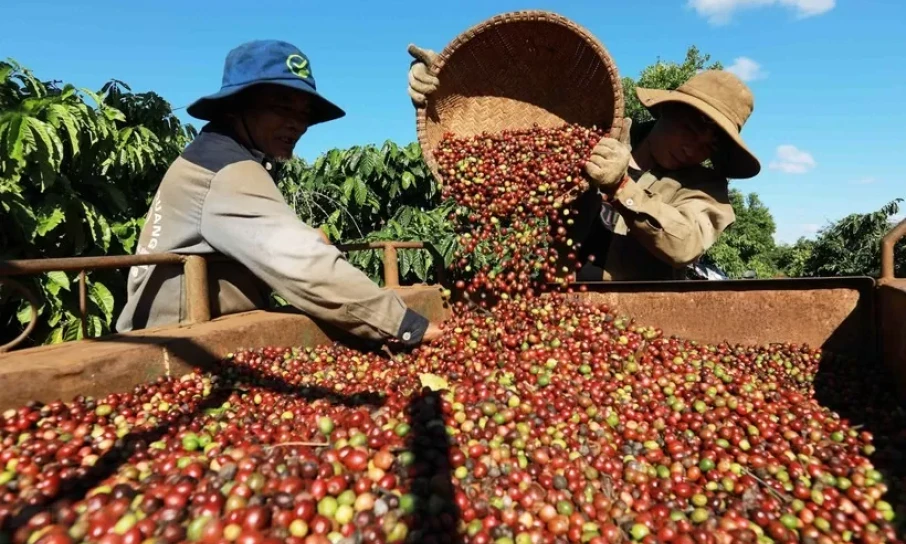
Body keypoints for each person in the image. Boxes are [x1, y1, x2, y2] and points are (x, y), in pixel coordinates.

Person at [116, 40, 443, 347]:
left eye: (303, 114)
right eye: (281, 108)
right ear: (235, 108)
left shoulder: (220, 156)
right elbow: (302, 263)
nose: (296, 125)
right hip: (179, 345)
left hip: (193, 333)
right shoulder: (225, 170)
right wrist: (406, 324)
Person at [406, 45, 761, 281]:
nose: (694, 148)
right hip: (558, 293)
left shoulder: (708, 190)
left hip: (641, 316)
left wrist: (622, 186)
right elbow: (512, 139)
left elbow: (684, 246)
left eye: (709, 144)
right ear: (668, 109)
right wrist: (449, 86)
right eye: (691, 128)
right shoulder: (599, 132)